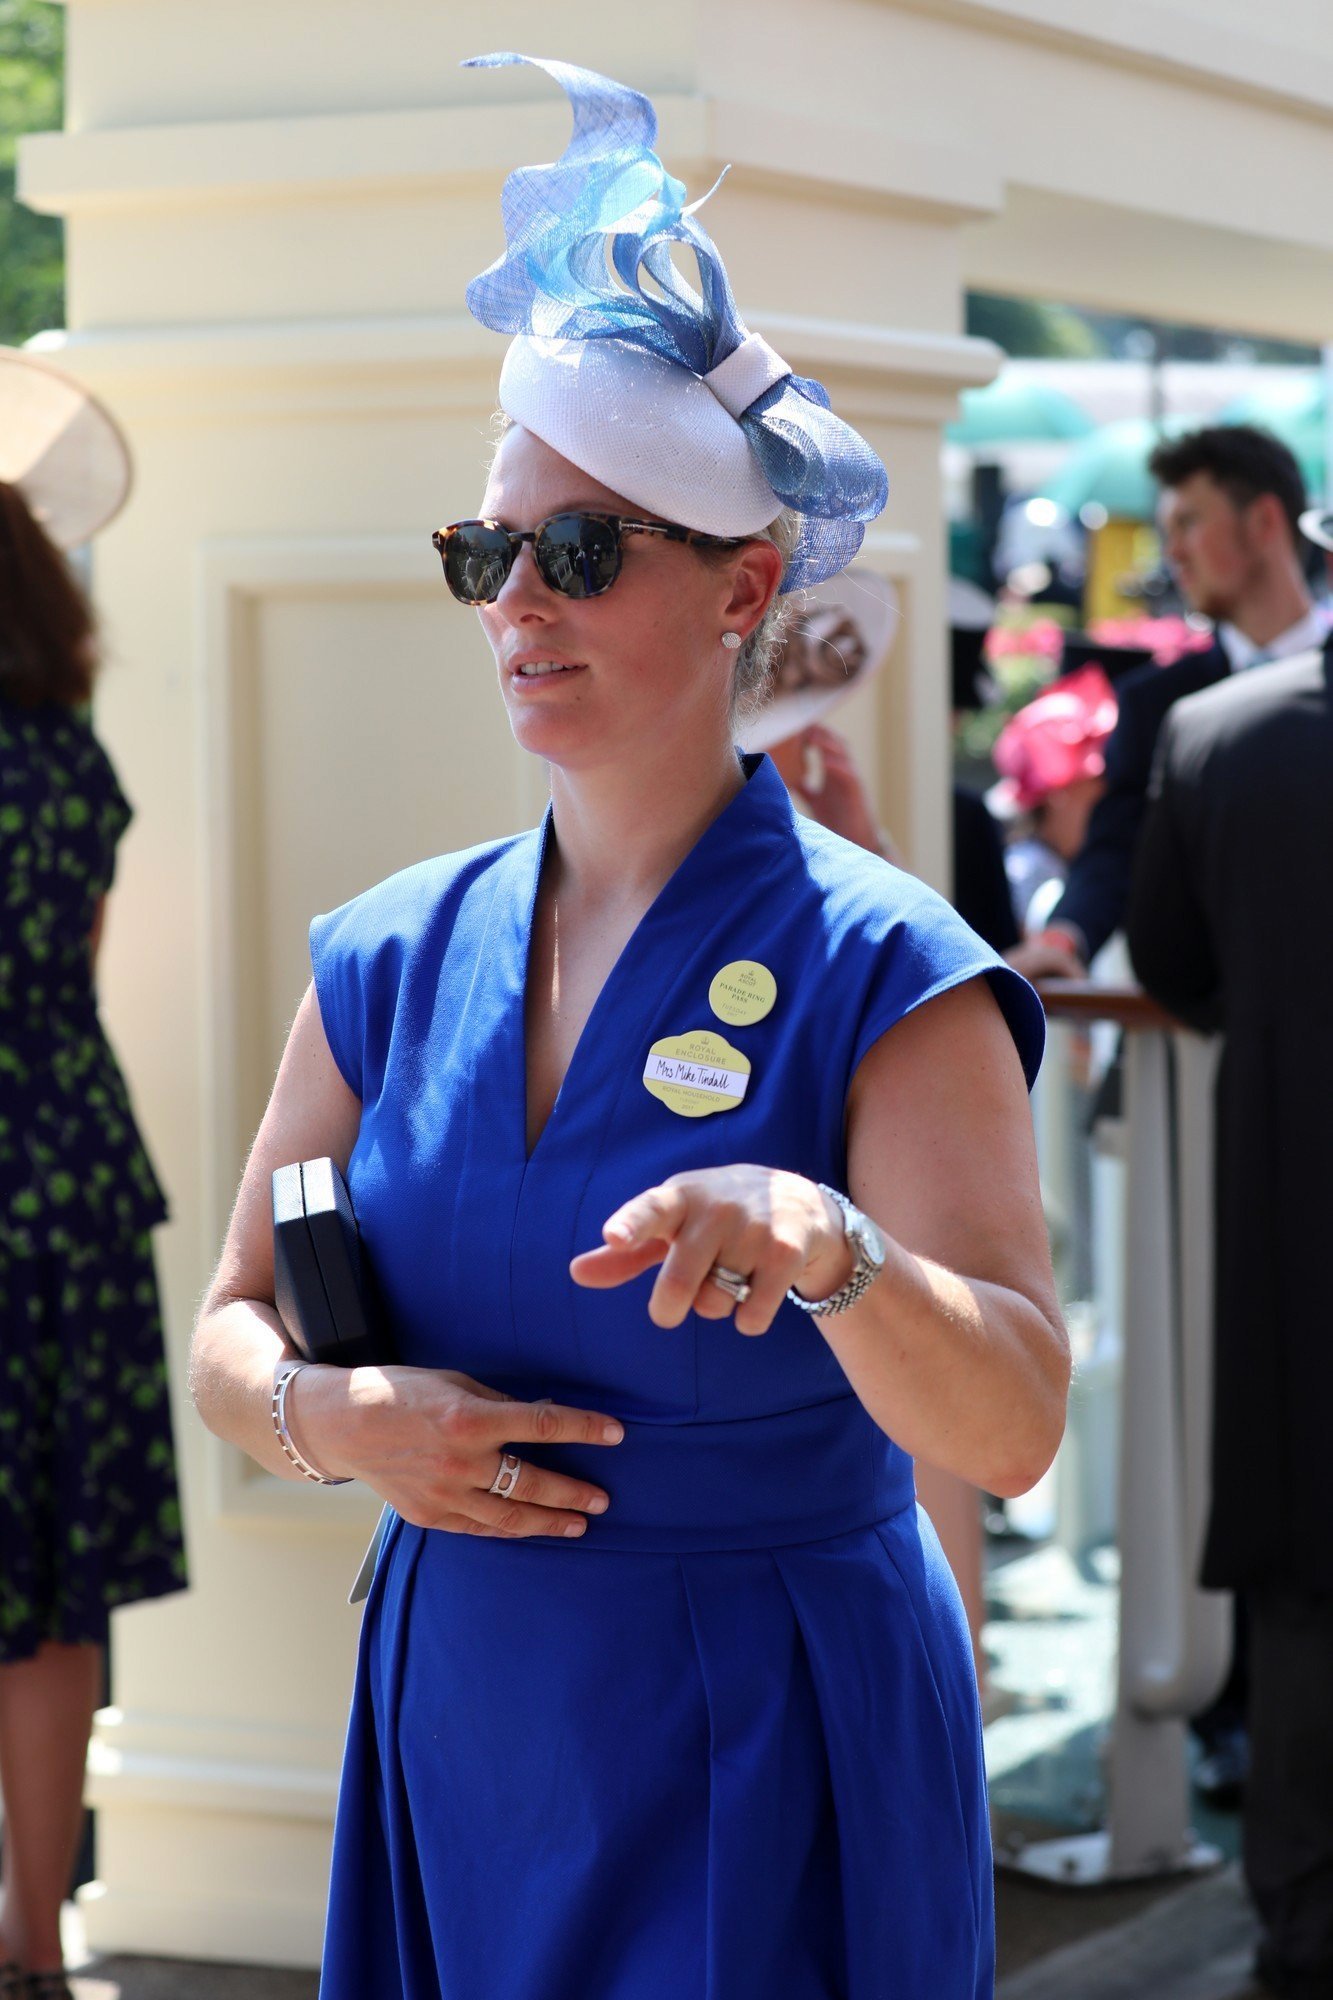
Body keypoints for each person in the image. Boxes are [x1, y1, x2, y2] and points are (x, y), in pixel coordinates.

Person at [191, 55, 1068, 2000]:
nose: (518, 600)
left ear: (745, 583)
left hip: (770, 1733)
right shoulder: (388, 952)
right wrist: (333, 1417)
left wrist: (836, 1253)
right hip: (466, 1722)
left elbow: (1013, 1420)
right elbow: (229, 1319)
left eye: (580, 551)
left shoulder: (885, 965)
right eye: (483, 551)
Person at [0, 353, 187, 2000]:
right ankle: (35, 1949)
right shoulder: (65, 752)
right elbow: (72, 967)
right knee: (55, 1593)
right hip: (63, 1174)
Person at [1126, 563, 1333, 2000]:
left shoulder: (1218, 735)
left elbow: (1173, 963)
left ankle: (1305, 1936)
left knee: (1306, 1592)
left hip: (1295, 1224)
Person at [1011, 424, 1325, 984]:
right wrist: (1065, 936)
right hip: (1210, 1032)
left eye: (1189, 523)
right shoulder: (1156, 701)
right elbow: (1116, 847)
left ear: (1264, 522)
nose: (1173, 551)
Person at [988, 663, 1118, 938]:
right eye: (1093, 798)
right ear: (1058, 795)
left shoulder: (1059, 868)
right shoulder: (1026, 874)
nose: (1107, 808)